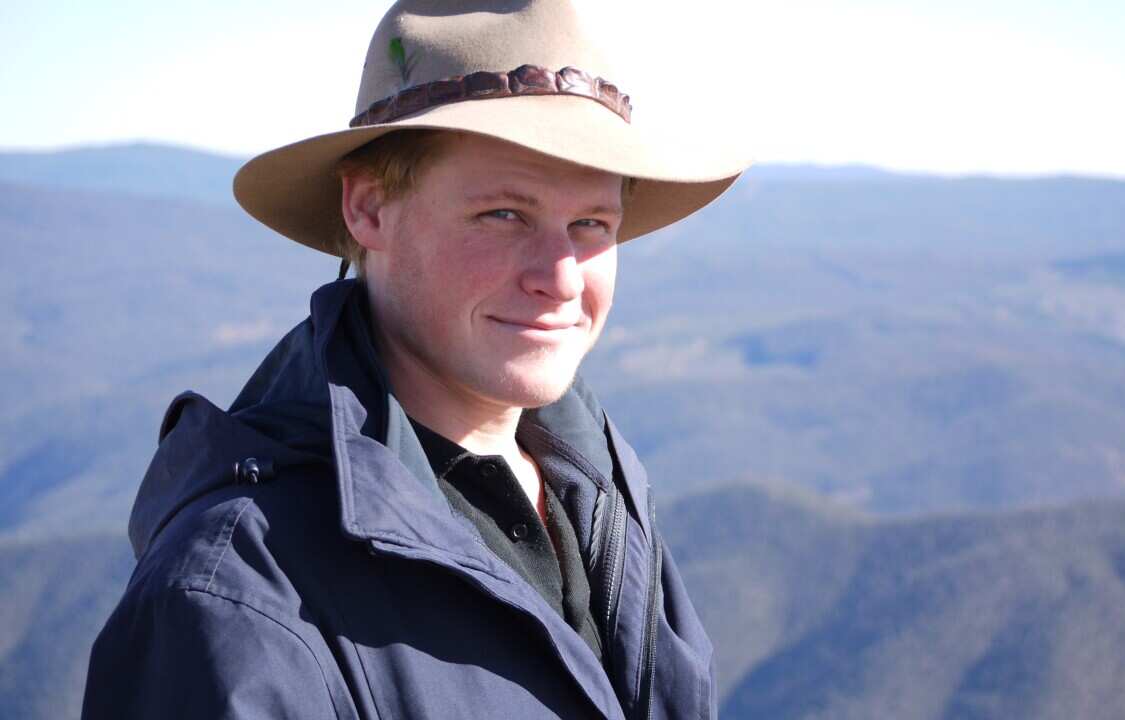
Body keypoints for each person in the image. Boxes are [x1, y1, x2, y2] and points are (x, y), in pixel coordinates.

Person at [81, 1, 747, 718]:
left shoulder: (595, 485)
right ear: (368, 209)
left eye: (591, 224)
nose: (559, 276)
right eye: (505, 215)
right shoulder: (237, 603)